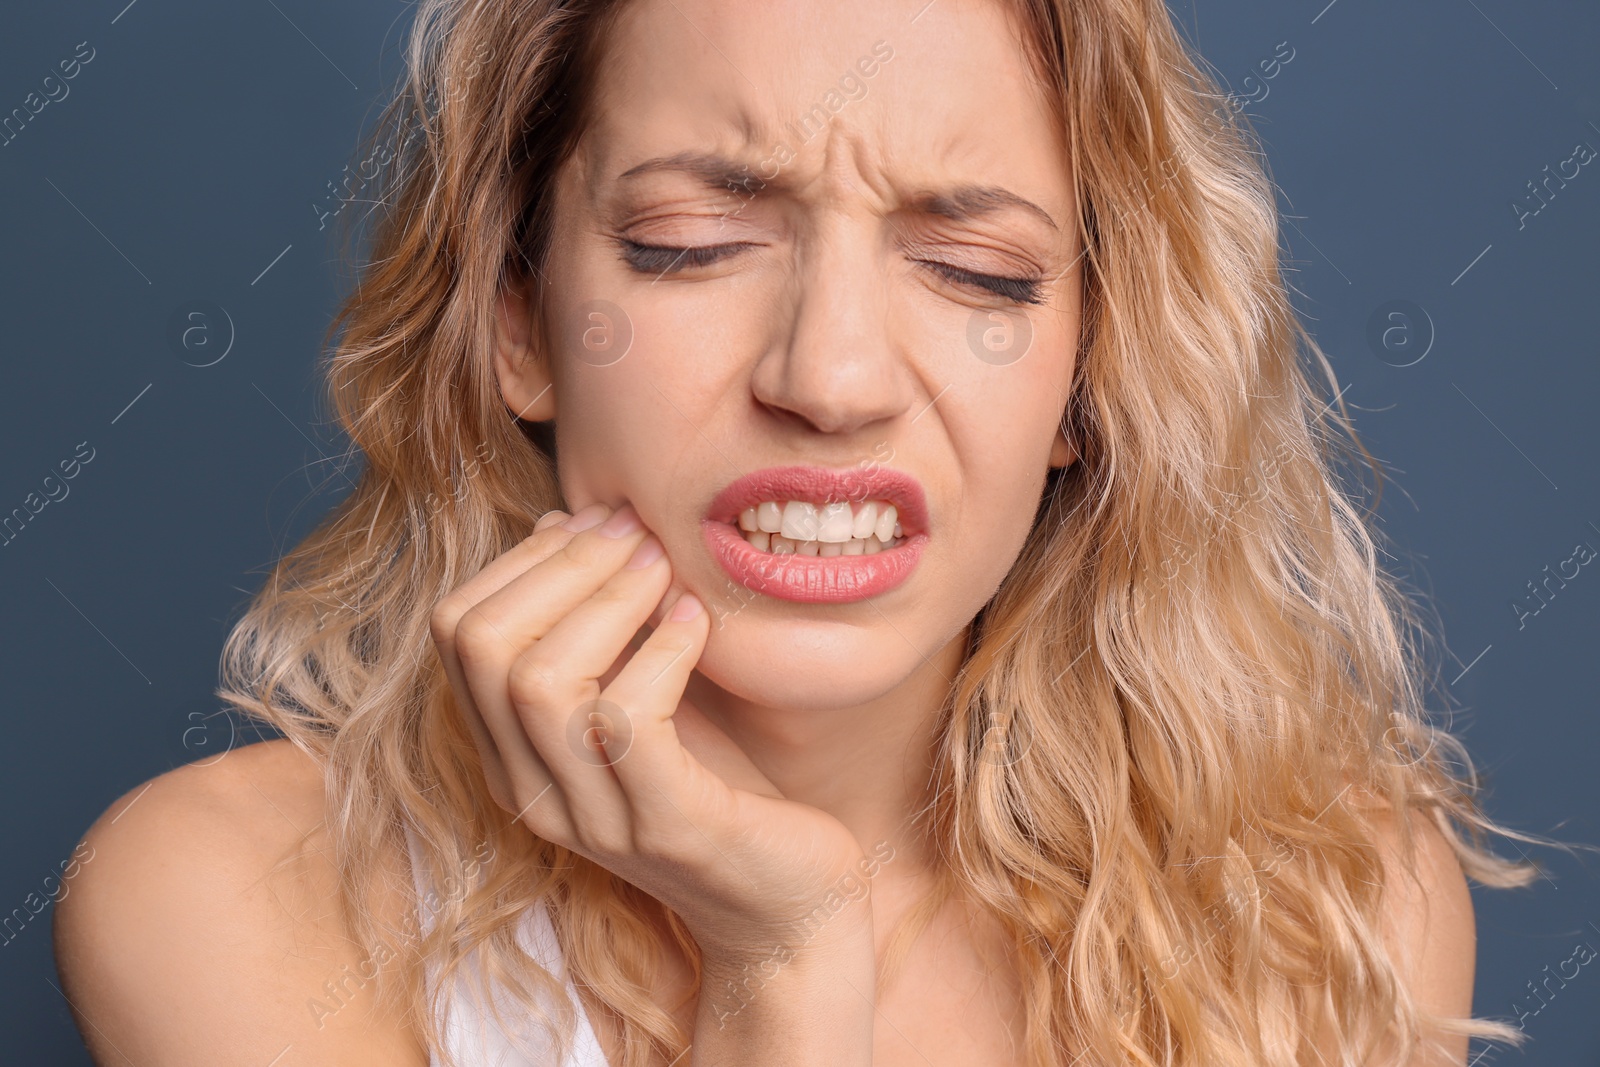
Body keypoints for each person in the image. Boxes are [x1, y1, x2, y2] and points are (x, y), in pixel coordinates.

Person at [53, 0, 1546, 1064]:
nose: (828, 380)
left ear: (1094, 377)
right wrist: (782, 968)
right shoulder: (230, 899)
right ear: (516, 320)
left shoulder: (1333, 906)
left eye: (976, 271)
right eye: (691, 247)